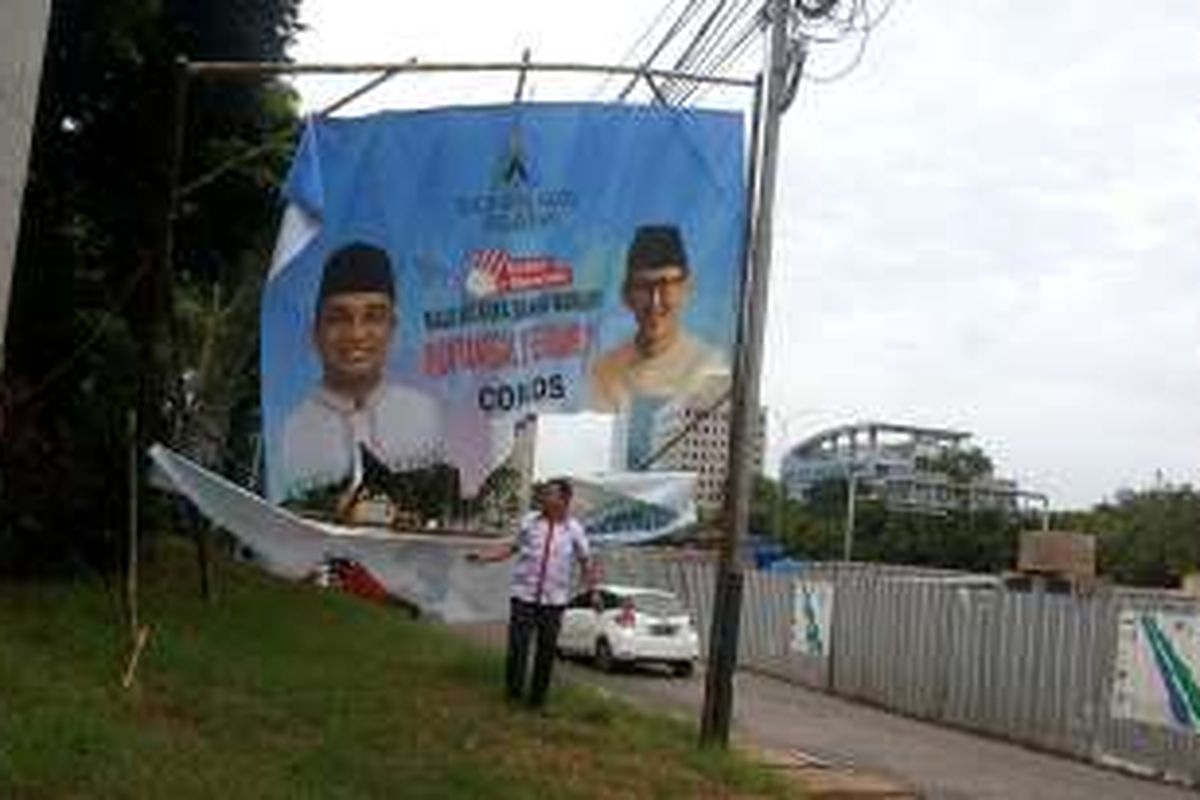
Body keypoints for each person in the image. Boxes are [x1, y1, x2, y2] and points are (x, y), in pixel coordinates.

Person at [280, 241, 442, 500]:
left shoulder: (425, 412)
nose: (356, 334)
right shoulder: (293, 429)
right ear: (315, 333)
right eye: (339, 318)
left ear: (393, 328)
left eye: (373, 317)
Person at [468, 478, 597, 710]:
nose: (544, 497)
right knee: (517, 648)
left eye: (550, 494)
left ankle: (537, 701)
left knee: (546, 652)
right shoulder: (530, 521)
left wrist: (593, 591)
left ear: (564, 500)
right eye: (545, 493)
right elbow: (512, 548)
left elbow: (586, 561)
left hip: (553, 602)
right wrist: (485, 558)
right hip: (523, 597)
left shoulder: (574, 529)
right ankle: (512, 696)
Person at [587, 224, 726, 414]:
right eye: (644, 287)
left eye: (665, 285)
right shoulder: (604, 372)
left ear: (687, 288)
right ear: (626, 295)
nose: (655, 302)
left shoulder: (710, 365)